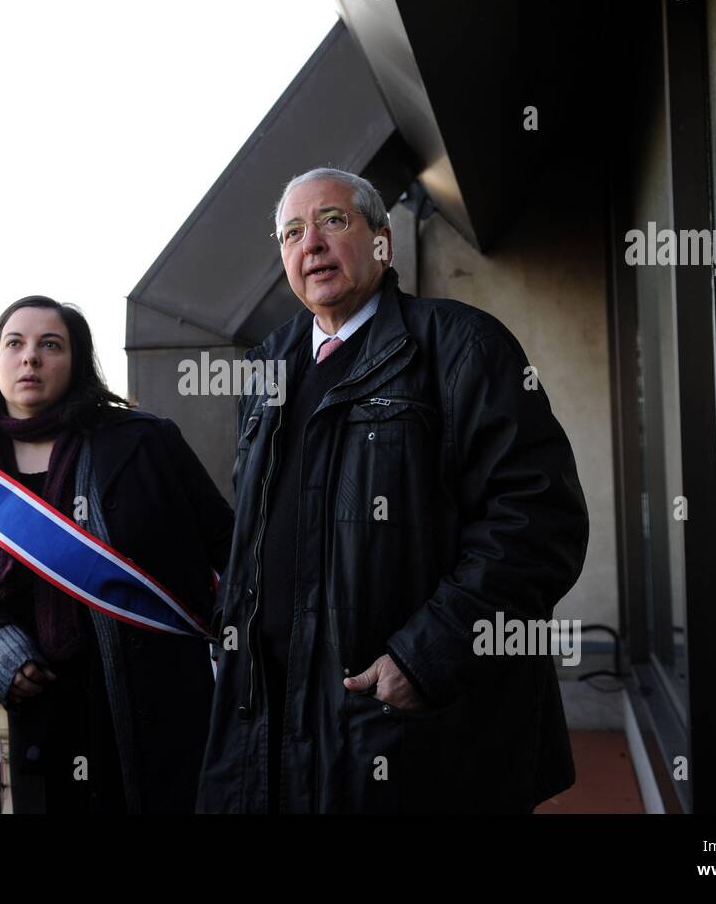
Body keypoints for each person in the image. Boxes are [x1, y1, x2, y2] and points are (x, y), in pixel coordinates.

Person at [197, 168, 590, 813]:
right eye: (292, 232)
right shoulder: (267, 368)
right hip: (271, 724)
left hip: (407, 726)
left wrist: (428, 655)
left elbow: (537, 523)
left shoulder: (463, 346)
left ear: (383, 241)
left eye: (333, 221)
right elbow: (257, 531)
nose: (311, 244)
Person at [0, 295, 233, 813]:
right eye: (15, 344)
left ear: (76, 363)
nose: (30, 357)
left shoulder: (145, 444)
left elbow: (232, 547)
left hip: (160, 710)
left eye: (50, 345)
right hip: (50, 727)